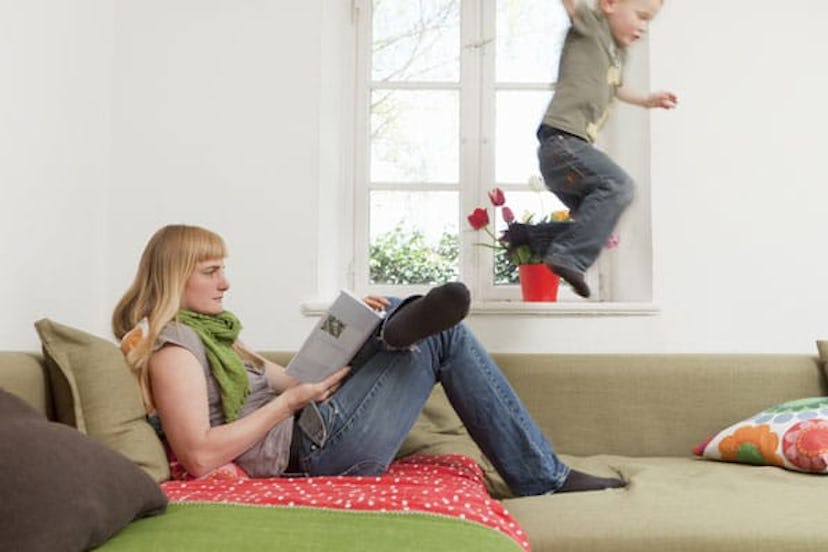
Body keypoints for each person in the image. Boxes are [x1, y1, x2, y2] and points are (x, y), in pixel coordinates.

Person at [112, 224, 625, 495]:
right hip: (313, 451)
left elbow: (295, 377)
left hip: (314, 424)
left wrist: (349, 330)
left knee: (406, 322)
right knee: (444, 337)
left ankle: (393, 325)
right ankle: (544, 477)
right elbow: (200, 455)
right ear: (177, 277)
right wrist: (289, 402)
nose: (226, 282)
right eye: (211, 271)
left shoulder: (219, 338)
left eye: (224, 269)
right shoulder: (175, 348)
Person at [505, 0, 676, 298]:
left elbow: (616, 87)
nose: (644, 28)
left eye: (649, 22)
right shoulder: (591, 26)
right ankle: (568, 258)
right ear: (609, 4)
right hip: (562, 143)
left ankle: (532, 237)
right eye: (641, 17)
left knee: (597, 221)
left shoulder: (616, 53)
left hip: (566, 156)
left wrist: (647, 99)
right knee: (619, 186)